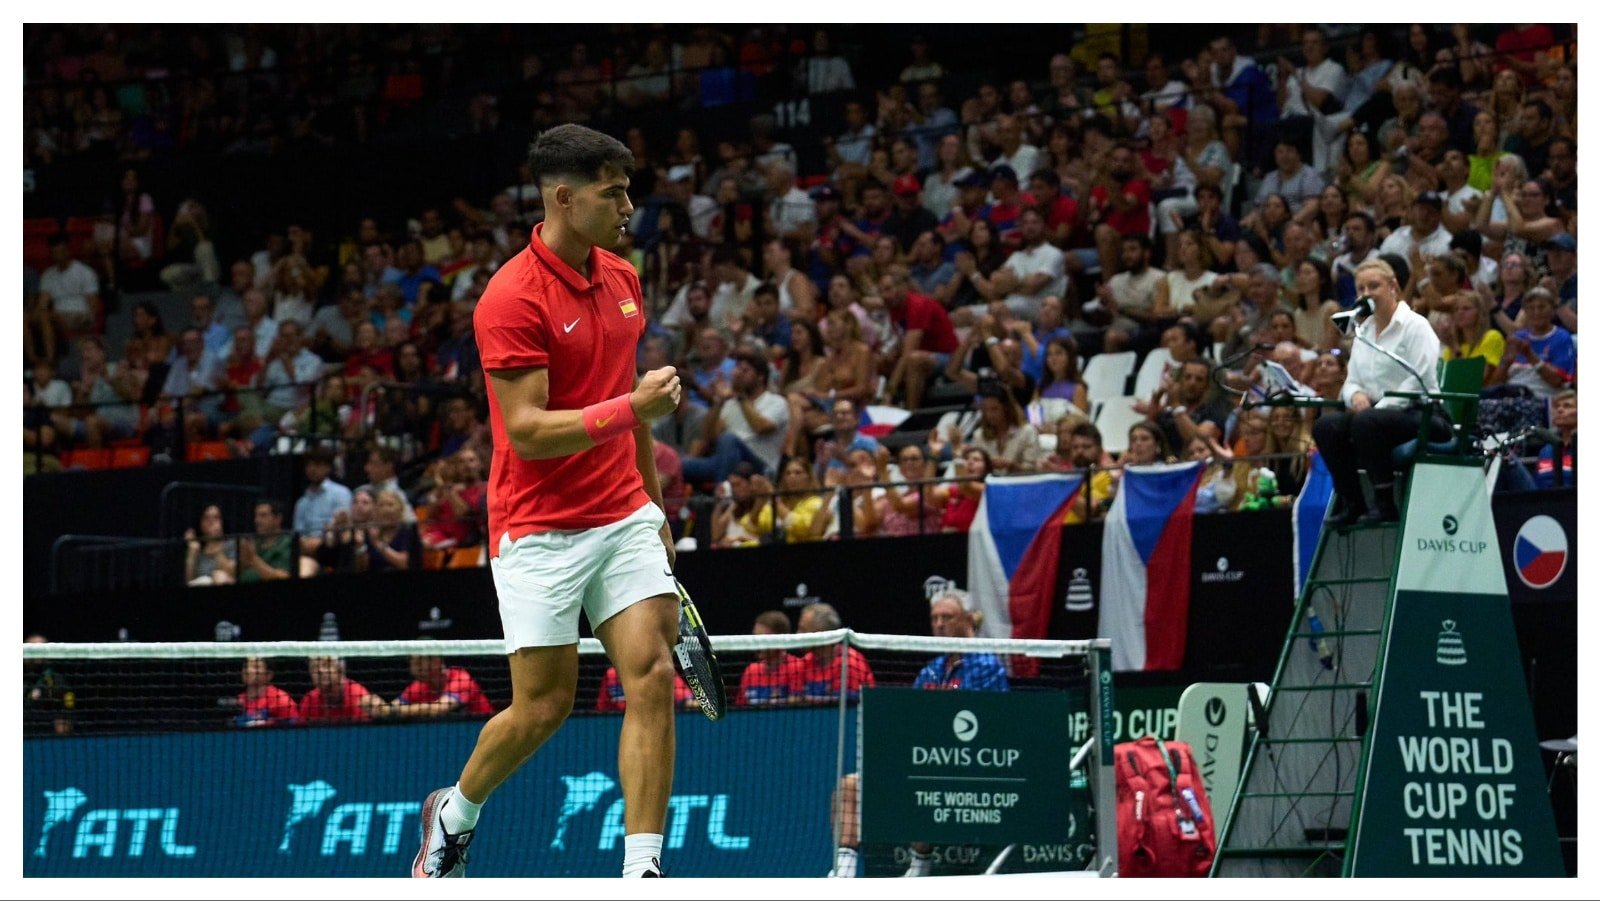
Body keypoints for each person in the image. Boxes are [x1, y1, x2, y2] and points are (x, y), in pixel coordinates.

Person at [415, 125, 684, 879]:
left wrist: (655, 510)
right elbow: (528, 432)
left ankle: (642, 869)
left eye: (628, 190)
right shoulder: (510, 299)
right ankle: (455, 812)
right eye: (613, 192)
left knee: (652, 673)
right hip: (538, 526)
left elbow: (621, 407)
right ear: (564, 197)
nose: (629, 205)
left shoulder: (623, 280)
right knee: (543, 706)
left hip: (622, 511)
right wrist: (632, 409)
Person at [828, 591, 1009, 878]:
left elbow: (990, 723)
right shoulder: (932, 671)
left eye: (947, 617)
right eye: (934, 618)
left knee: (923, 776)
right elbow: (911, 720)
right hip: (924, 758)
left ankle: (920, 864)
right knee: (849, 786)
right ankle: (845, 874)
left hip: (970, 765)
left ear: (968, 620)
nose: (938, 624)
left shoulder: (987, 666)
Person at [1313, 259, 1443, 526]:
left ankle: (1384, 503)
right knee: (1327, 426)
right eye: (1361, 289)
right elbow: (1351, 381)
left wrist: (1378, 407)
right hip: (1375, 418)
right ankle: (1352, 501)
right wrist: (1355, 396)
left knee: (1365, 421)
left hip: (1422, 415)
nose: (1367, 294)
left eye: (1374, 286)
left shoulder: (1415, 326)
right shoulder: (1364, 333)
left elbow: (1420, 380)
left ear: (1393, 287)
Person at [797, 603, 876, 702]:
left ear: (821, 633)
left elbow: (853, 707)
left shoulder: (851, 664)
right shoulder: (804, 663)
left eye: (803, 630)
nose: (797, 635)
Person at [393, 652, 496, 718]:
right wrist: (379, 706)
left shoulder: (461, 679)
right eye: (412, 664)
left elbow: (438, 709)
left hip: (485, 731)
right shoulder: (418, 687)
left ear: (436, 661)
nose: (413, 669)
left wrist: (394, 711)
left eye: (418, 663)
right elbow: (389, 708)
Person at [737, 610, 807, 706]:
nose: (757, 644)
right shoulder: (751, 670)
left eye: (763, 639)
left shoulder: (796, 667)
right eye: (755, 637)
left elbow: (796, 704)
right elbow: (741, 706)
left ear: (779, 639)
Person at [301, 655, 389, 724]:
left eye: (326, 665)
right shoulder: (309, 700)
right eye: (314, 667)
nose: (320, 671)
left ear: (340, 670)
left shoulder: (358, 696)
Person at [235, 657, 298, 727]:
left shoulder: (282, 700)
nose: (248, 670)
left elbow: (295, 730)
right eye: (245, 667)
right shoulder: (238, 700)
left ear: (269, 675)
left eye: (256, 667)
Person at [184, 504, 237, 586]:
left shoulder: (231, 543)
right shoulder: (198, 546)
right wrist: (192, 552)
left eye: (216, 518)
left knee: (220, 576)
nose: (211, 521)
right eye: (206, 518)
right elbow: (189, 580)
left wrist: (216, 547)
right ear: (201, 523)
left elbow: (232, 573)